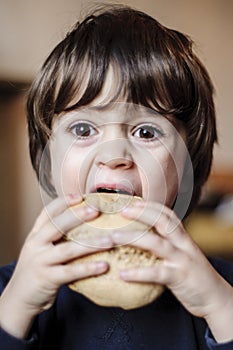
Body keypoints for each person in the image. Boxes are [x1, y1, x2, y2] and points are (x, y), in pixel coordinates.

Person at [0, 5, 232, 349]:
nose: (113, 156)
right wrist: (15, 311)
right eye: (82, 128)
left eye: (146, 132)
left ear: (187, 166)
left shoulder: (221, 289)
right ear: (48, 162)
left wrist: (221, 308)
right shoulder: (12, 290)